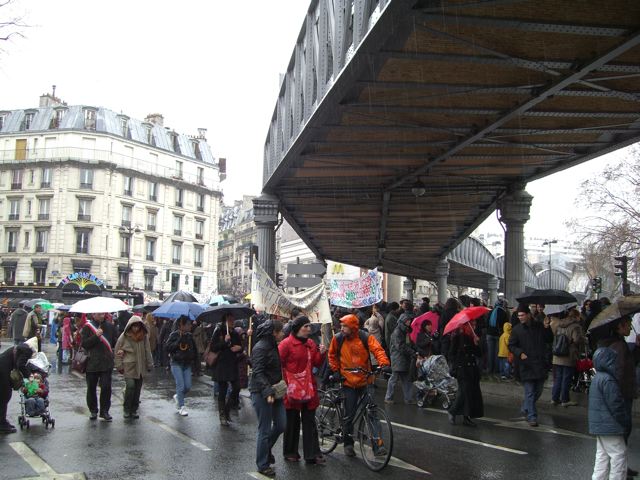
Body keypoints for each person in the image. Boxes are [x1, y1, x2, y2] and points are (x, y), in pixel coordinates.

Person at [328, 314, 389, 457]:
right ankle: (348, 443)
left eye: (345, 326)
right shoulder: (338, 338)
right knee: (349, 415)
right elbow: (332, 356)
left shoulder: (365, 337)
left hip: (365, 380)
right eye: (341, 326)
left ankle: (377, 445)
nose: (342, 329)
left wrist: (384, 364)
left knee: (372, 413)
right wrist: (336, 371)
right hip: (348, 382)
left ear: (353, 327)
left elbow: (378, 350)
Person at [278, 316, 327, 464]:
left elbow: (316, 363)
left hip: (309, 388)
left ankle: (312, 454)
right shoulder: (286, 344)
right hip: (292, 389)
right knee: (292, 421)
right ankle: (290, 452)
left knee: (310, 422)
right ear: (297, 328)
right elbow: (278, 363)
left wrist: (322, 353)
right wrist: (284, 382)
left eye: (309, 326)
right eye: (305, 326)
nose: (308, 329)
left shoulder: (311, 343)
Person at [597, 315, 640, 479]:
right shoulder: (619, 347)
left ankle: (621, 470)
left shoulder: (618, 345)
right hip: (621, 397)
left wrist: (636, 348)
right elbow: (620, 373)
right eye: (628, 324)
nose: (630, 327)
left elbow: (630, 364)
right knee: (619, 443)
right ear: (620, 327)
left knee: (604, 451)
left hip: (620, 397)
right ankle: (621, 471)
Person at [249, 319, 286, 478]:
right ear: (274, 333)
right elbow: (257, 372)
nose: (283, 334)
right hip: (261, 391)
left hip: (275, 391)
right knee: (264, 429)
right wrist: (267, 391)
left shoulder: (273, 346)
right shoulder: (260, 348)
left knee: (281, 424)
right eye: (281, 331)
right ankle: (262, 464)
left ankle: (266, 449)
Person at [589, 347, 631, 480]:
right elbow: (616, 405)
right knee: (619, 455)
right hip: (610, 426)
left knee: (602, 456)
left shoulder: (598, 378)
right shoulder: (608, 380)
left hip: (599, 426)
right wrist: (624, 421)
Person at [508, 304, 553, 427]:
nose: (520, 317)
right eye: (519, 316)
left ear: (528, 315)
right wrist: (520, 353)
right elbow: (511, 345)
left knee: (538, 391)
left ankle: (526, 407)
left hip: (539, 364)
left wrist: (547, 327)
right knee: (530, 392)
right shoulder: (517, 329)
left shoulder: (539, 326)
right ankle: (532, 416)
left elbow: (549, 339)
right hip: (526, 365)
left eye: (522, 315)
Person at [114, 315, 153, 419]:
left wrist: (150, 364)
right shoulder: (124, 336)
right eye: (134, 326)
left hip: (141, 366)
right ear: (130, 326)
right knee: (130, 386)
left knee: (137, 389)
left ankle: (134, 409)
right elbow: (117, 351)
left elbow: (147, 350)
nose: (136, 328)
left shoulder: (144, 336)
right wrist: (119, 365)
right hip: (129, 366)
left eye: (138, 326)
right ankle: (127, 408)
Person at [81, 312, 117, 421]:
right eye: (99, 314)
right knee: (91, 388)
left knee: (106, 387)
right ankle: (93, 410)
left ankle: (104, 411)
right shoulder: (87, 327)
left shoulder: (110, 326)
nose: (102, 316)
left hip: (106, 362)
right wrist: (96, 336)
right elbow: (85, 344)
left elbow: (115, 341)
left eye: (103, 314)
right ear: (93, 315)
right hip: (92, 362)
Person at [447, 321, 484, 426]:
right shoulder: (458, 337)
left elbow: (479, 354)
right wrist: (456, 365)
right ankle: (452, 411)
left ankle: (466, 416)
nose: (473, 327)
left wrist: (477, 344)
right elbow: (451, 354)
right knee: (464, 392)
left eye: (474, 325)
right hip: (462, 368)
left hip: (472, 369)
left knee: (471, 393)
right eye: (471, 325)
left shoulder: (473, 337)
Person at [209, 313, 243, 426]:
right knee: (222, 390)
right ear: (225, 321)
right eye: (229, 320)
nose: (232, 321)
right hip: (221, 364)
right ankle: (222, 415)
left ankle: (228, 409)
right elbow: (213, 347)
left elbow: (240, 346)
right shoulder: (218, 331)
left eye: (233, 319)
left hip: (232, 363)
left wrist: (239, 348)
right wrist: (224, 341)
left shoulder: (234, 333)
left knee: (237, 387)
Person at [0, 337, 37, 433]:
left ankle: (2, 421)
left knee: (4, 396)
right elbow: (20, 364)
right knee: (5, 396)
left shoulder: (22, 347)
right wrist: (29, 376)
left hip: (3, 367)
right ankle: (2, 424)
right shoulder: (27, 350)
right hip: (3, 369)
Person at [550, 307, 584, 407]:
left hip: (557, 355)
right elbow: (576, 340)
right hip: (569, 355)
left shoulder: (558, 324)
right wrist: (583, 339)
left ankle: (554, 398)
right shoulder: (575, 326)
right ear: (576, 316)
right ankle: (565, 399)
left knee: (558, 378)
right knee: (566, 378)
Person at [165, 316, 197, 416]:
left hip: (187, 364)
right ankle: (181, 407)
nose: (190, 326)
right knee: (181, 385)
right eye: (188, 324)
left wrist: (195, 362)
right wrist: (178, 340)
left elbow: (194, 350)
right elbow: (167, 347)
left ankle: (178, 396)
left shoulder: (189, 336)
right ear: (181, 325)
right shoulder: (174, 335)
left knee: (187, 386)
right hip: (176, 363)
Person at [385, 314, 416, 404]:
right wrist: (412, 352)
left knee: (404, 379)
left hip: (403, 358)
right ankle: (389, 397)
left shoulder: (405, 331)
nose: (409, 322)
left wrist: (413, 350)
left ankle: (408, 398)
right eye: (407, 320)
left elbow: (408, 344)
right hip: (398, 358)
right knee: (395, 378)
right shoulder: (398, 332)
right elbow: (400, 346)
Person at [486, 299, 508, 376]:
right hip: (499, 335)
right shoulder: (504, 313)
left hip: (489, 334)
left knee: (490, 352)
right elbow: (506, 325)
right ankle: (496, 369)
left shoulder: (491, 312)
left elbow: (486, 323)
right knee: (497, 353)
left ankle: (489, 369)